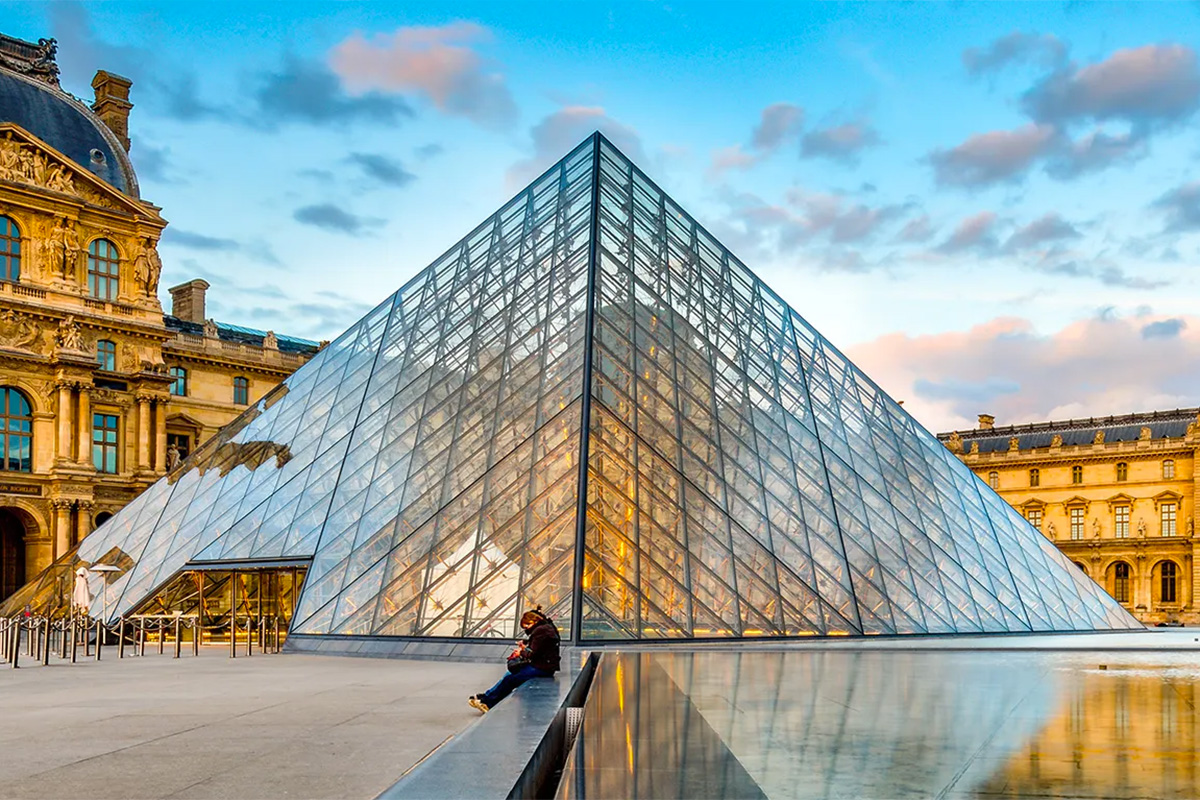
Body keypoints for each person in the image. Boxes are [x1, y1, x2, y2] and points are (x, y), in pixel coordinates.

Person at [469, 607, 560, 713]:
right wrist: (525, 645)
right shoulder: (545, 628)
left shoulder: (540, 631)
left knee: (510, 678)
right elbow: (540, 647)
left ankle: (489, 702)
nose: (526, 629)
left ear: (534, 621)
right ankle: (488, 696)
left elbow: (533, 654)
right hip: (545, 665)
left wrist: (520, 652)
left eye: (527, 625)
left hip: (542, 668)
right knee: (509, 675)